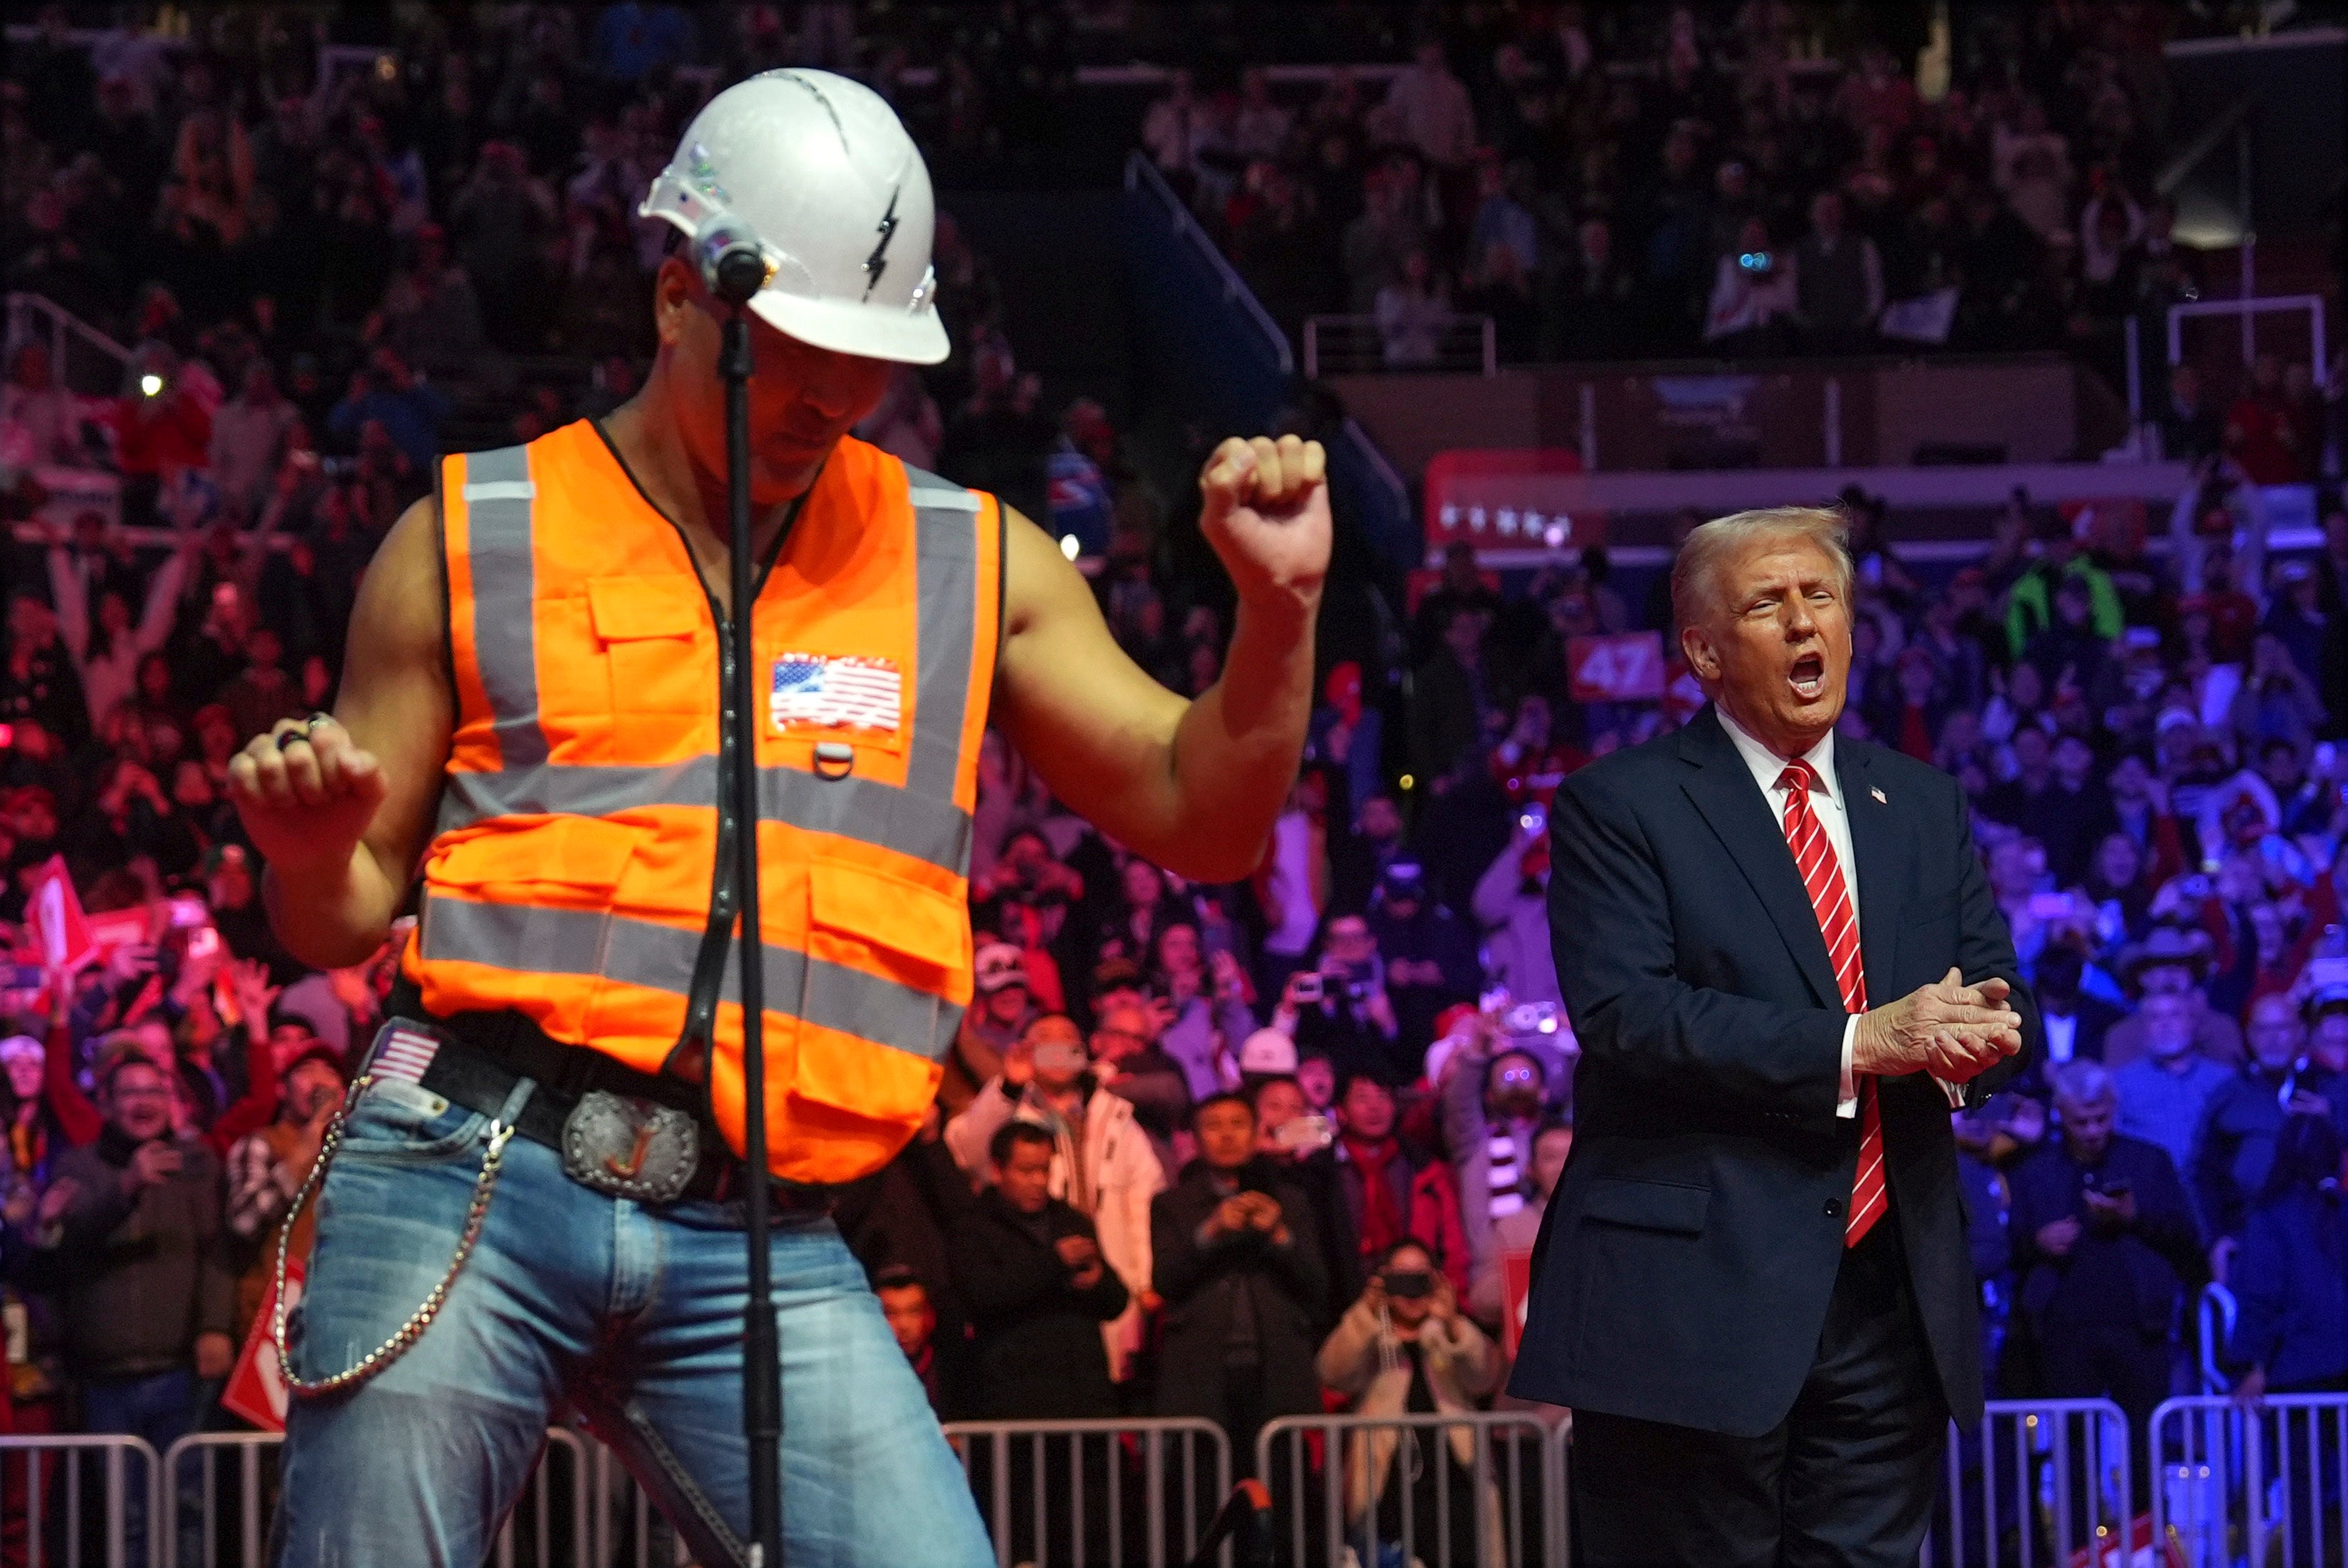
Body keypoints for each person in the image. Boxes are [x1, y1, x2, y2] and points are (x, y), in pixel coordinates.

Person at [224, 73, 1330, 1568]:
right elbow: (340, 916)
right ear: (675, 290)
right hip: (463, 1167)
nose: (828, 395)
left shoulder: (971, 560)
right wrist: (310, 850)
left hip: (769, 1231)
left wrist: (1276, 611)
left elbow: (1205, 821)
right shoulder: (471, 535)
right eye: (792, 351)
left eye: (865, 362)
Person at [1515, 507, 2032, 1565]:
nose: (1805, 621)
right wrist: (1860, 1040)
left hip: (1890, 1302)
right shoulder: (1620, 805)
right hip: (1690, 1308)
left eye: (1822, 596)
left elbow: (1994, 989)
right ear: (1702, 651)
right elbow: (1626, 1015)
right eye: (1767, 603)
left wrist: (1985, 1039)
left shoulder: (1922, 804)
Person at [35, 1052, 235, 1559]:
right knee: (129, 1519)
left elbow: (217, 1251)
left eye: (155, 1091)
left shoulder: (197, 1163)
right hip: (106, 1375)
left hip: (181, 1370)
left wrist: (214, 1325)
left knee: (190, 1510)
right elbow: (67, 1242)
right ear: (105, 1102)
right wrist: (127, 1186)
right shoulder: (78, 1163)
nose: (144, 1102)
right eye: (130, 1092)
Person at [944, 1013, 1163, 1384]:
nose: (1058, 1050)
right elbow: (970, 1153)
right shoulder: (1010, 1107)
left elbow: (1143, 1201)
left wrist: (1142, 1282)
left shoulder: (1116, 1116)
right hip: (1029, 1288)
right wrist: (1010, 1087)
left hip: (1100, 1278)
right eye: (1045, 1040)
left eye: (1068, 1040)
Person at [2007, 1061, 2202, 1470]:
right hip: (2063, 1331)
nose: (2094, 1131)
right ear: (2060, 1111)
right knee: (2072, 1456)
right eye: (2083, 1122)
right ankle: (2079, 1536)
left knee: (2146, 1450)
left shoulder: (2149, 1161)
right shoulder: (2035, 1169)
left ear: (2114, 1106)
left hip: (2140, 1326)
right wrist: (2038, 1242)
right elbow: (2009, 1247)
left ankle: (2146, 1534)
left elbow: (2187, 1238)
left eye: (2102, 1118)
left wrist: (2135, 1218)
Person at [1150, 1093, 1327, 1465]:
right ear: (1196, 1141)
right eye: (1214, 1127)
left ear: (1256, 1134)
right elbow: (1165, 1281)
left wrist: (1280, 1237)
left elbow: (1317, 1287)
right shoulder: (1172, 1205)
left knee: (1282, 1488)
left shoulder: (1291, 1202)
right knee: (1202, 1492)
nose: (1227, 1135)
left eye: (1238, 1125)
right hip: (1202, 1372)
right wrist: (1209, 1233)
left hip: (1276, 1367)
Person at [1315, 1240, 1503, 1568]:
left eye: (1420, 1278)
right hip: (1387, 1488)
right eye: (1401, 1278)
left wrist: (1452, 1322)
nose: (1412, 1290)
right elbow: (1333, 1373)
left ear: (1436, 1280)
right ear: (1384, 1280)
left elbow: (1485, 1376)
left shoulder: (1446, 1331)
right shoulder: (1373, 1332)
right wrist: (1367, 1312)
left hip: (1456, 1484)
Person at [2112, 992, 2233, 1183]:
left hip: (2213, 1189)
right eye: (2155, 1017)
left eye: (2175, 1015)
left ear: (2193, 1022)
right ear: (2144, 1028)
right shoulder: (2121, 1083)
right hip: (2150, 1187)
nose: (2165, 1024)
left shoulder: (2224, 1080)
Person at [872, 1263, 972, 1422]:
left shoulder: (955, 1371)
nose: (904, 1325)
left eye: (914, 1311)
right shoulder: (862, 1373)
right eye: (891, 1314)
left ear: (929, 1316)